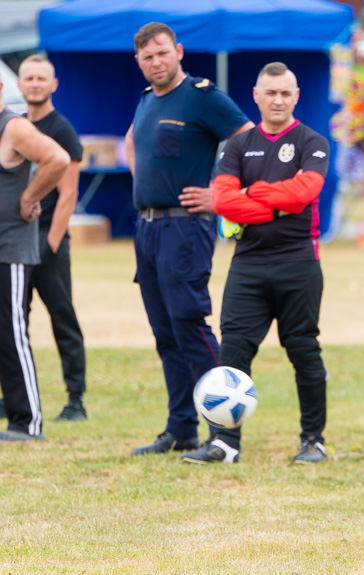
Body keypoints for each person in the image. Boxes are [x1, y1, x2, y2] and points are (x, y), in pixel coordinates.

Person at [182, 62, 330, 465]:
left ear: (296, 96)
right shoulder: (236, 146)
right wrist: (276, 205)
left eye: (286, 93)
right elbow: (223, 200)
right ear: (256, 95)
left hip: (299, 262)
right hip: (247, 265)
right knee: (233, 351)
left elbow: (306, 190)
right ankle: (225, 443)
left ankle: (312, 440)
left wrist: (254, 193)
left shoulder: (312, 142)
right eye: (271, 92)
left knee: (303, 351)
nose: (278, 99)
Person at [125, 22, 254, 456]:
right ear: (139, 61)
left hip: (184, 229)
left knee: (190, 327)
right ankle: (180, 428)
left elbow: (248, 141)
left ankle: (222, 434)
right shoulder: (146, 100)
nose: (156, 62)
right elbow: (132, 142)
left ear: (178, 51)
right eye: (147, 56)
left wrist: (219, 194)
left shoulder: (201, 97)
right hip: (147, 229)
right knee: (165, 332)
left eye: (162, 53)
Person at [17, 54, 88, 422]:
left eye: (41, 78)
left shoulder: (61, 130)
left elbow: (69, 195)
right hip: (17, 238)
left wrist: (51, 245)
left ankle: (75, 399)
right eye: (28, 78)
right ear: (19, 84)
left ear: (53, 84)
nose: (34, 84)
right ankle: (15, 394)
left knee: (62, 317)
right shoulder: (15, 127)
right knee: (15, 320)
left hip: (47, 239)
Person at [0, 78, 70, 440]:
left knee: (11, 333)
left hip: (8, 249)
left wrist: (29, 197)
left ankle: (27, 423)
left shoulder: (13, 127)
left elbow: (57, 158)